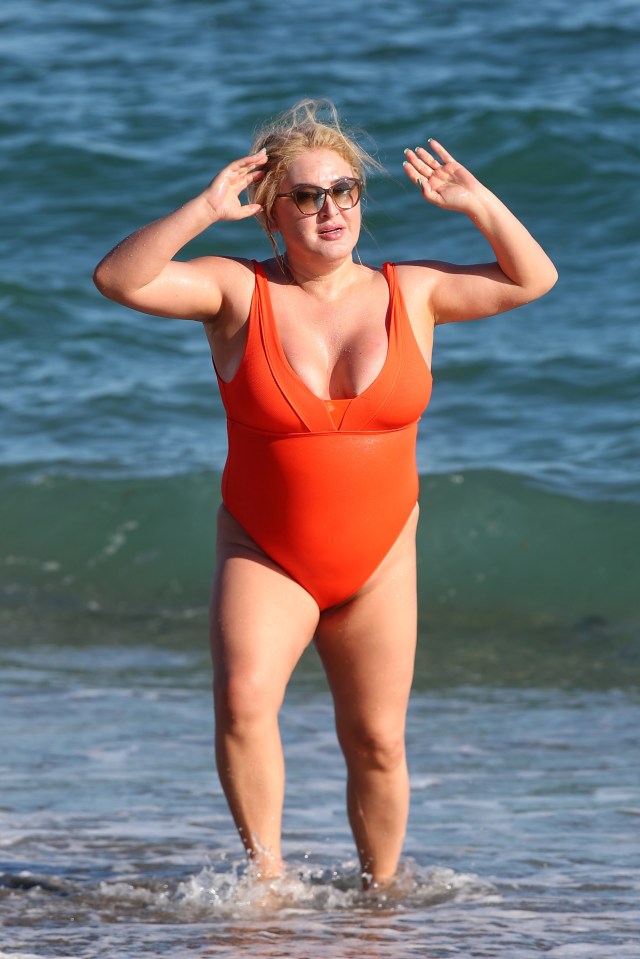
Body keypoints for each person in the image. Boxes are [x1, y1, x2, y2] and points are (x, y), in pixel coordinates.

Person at [93, 99, 557, 889]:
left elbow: (532, 277)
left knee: (377, 739)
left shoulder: (412, 291)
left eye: (344, 191)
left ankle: (381, 898)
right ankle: (266, 882)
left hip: (379, 561)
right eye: (306, 196)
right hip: (266, 550)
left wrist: (477, 201)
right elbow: (119, 278)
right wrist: (205, 210)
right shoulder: (237, 293)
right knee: (244, 702)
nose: (330, 209)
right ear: (275, 214)